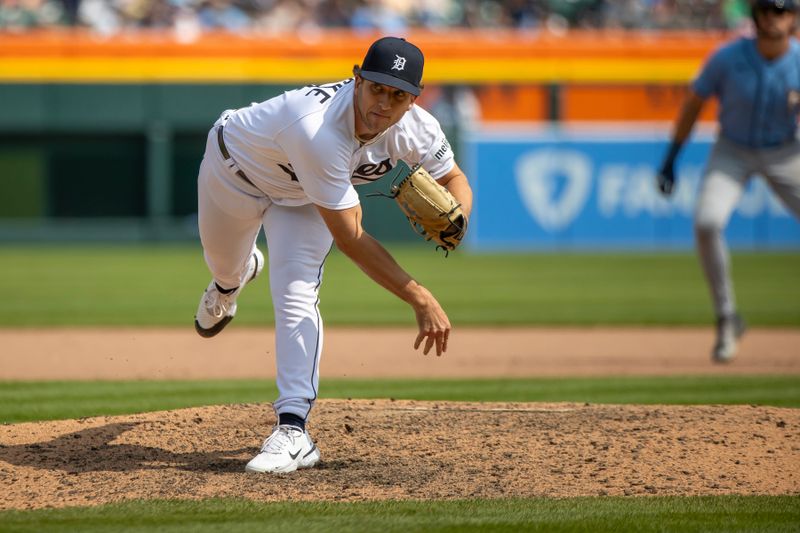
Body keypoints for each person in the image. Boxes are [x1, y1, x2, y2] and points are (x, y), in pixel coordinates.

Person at [193, 36, 473, 473]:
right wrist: (419, 296)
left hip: (304, 197)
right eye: (376, 87)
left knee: (296, 290)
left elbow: (453, 177)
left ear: (413, 99)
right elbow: (351, 238)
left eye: (397, 94)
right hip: (236, 172)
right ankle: (232, 280)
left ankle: (292, 430)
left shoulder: (418, 126)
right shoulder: (318, 127)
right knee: (223, 265)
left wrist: (457, 216)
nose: (383, 102)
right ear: (357, 79)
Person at [656, 0, 800, 363]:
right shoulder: (726, 57)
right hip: (732, 149)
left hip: (785, 152)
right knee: (707, 222)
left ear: (793, 17)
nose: (774, 17)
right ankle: (727, 317)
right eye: (767, 10)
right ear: (755, 16)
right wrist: (671, 157)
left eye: (782, 10)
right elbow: (693, 103)